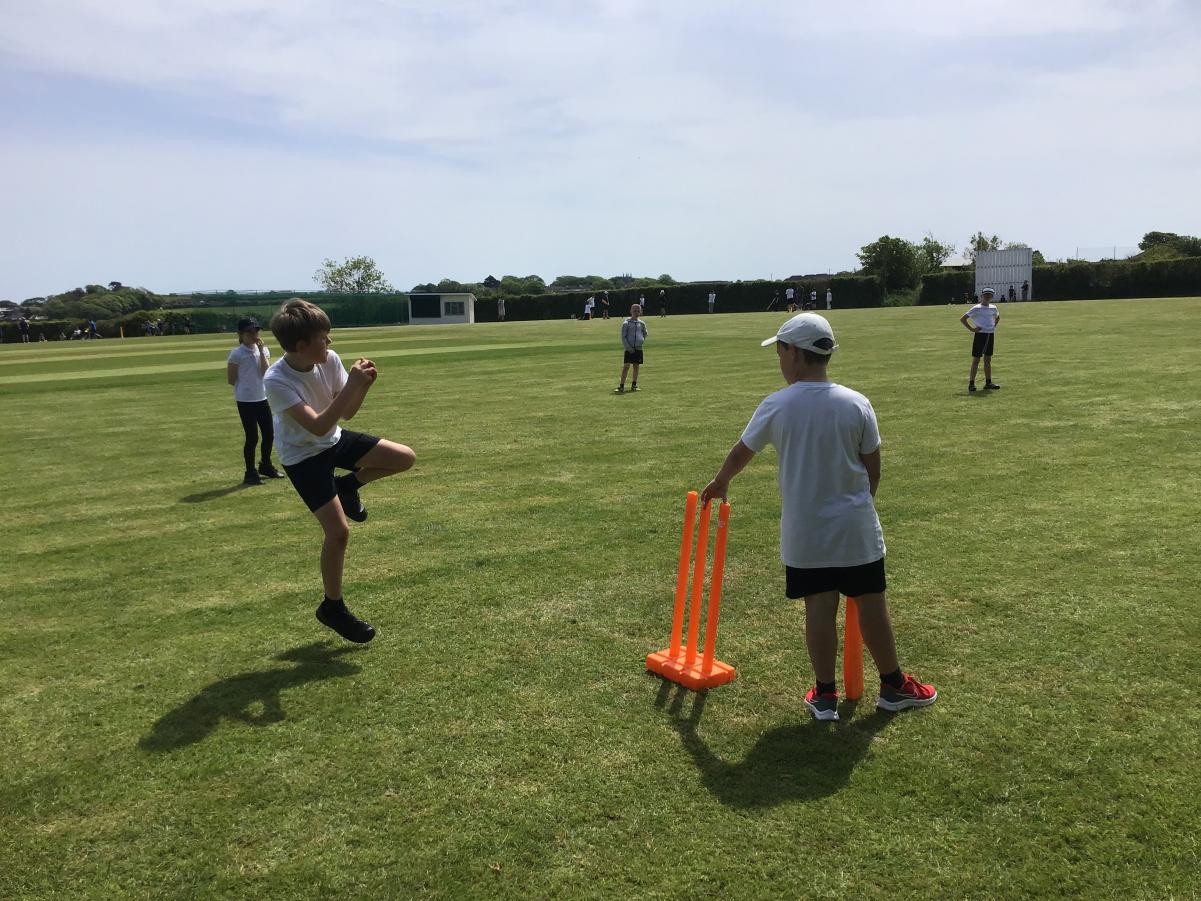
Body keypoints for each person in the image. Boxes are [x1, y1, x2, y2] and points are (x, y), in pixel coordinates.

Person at [700, 312, 937, 721]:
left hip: (805, 532)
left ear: (794, 353)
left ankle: (825, 695)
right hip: (855, 529)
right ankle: (893, 684)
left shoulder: (777, 404)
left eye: (779, 352)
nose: (779, 361)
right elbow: (872, 466)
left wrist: (721, 481)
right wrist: (861, 506)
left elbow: (743, 451)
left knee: (819, 606)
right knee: (872, 604)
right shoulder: (856, 402)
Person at [264, 299, 416, 643]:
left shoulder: (328, 360)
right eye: (323, 338)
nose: (330, 343)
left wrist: (362, 386)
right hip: (302, 456)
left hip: (333, 440)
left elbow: (344, 414)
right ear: (302, 346)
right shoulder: (276, 380)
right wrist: (351, 384)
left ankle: (347, 486)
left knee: (404, 457)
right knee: (339, 533)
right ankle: (332, 607)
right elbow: (316, 426)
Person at [227, 316, 284, 485]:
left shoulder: (263, 350)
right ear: (240, 334)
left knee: (269, 433)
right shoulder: (237, 353)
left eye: (256, 330)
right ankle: (250, 472)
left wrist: (260, 351)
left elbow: (267, 373)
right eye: (249, 332)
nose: (253, 334)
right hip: (245, 400)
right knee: (252, 437)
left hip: (262, 397)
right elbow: (231, 379)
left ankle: (265, 465)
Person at [960, 287, 1001, 393]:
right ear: (981, 296)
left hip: (990, 335)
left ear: (992, 297)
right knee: (976, 360)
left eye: (990, 295)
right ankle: (971, 384)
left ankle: (988, 383)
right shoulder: (976, 308)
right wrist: (972, 329)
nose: (987, 297)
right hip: (980, 336)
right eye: (986, 295)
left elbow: (997, 317)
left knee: (988, 360)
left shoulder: (993, 308)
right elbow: (963, 319)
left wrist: (993, 326)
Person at [614, 303, 647, 394]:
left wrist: (641, 340)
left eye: (638, 311)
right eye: (634, 311)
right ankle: (621, 386)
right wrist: (628, 347)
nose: (636, 312)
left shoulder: (641, 323)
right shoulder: (626, 323)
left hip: (638, 348)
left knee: (636, 366)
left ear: (640, 312)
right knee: (626, 366)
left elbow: (645, 333)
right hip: (629, 349)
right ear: (631, 311)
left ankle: (634, 385)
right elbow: (623, 337)